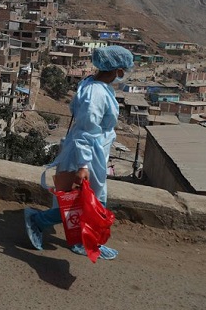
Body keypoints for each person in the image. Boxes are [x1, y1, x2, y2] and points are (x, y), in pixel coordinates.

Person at [24, 45, 134, 260]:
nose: (124, 74)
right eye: (124, 70)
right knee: (83, 202)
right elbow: (86, 129)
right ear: (118, 70)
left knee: (91, 201)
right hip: (87, 154)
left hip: (93, 152)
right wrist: (83, 166)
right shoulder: (96, 93)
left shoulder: (94, 85)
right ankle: (38, 220)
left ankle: (85, 240)